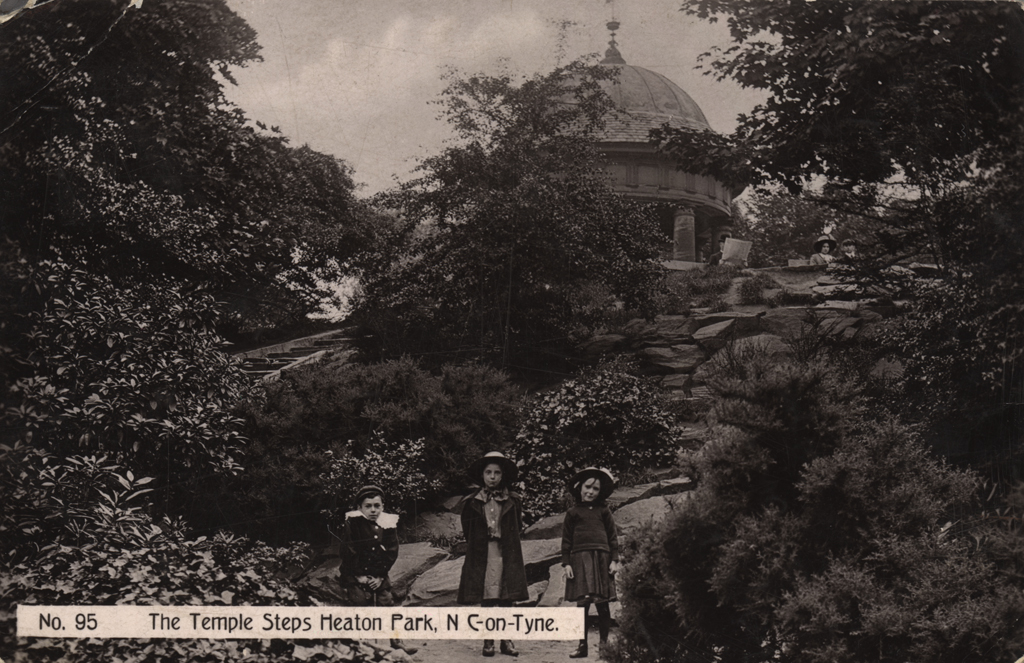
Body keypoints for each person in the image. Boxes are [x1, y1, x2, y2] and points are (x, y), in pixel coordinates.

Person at [458, 451, 528, 657]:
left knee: (506, 597)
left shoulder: (513, 500)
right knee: (488, 597)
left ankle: (506, 640)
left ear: (502, 475)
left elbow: (517, 525)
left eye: (497, 473)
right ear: (482, 475)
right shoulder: (472, 502)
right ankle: (488, 640)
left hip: (506, 552)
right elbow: (467, 529)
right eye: (488, 472)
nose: (492, 477)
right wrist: (479, 544)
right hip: (484, 553)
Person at [338, 485, 418, 655]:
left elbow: (391, 551)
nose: (373, 510)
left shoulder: (387, 524)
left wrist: (380, 576)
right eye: (368, 506)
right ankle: (360, 646)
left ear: (382, 507)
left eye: (377, 506)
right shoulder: (352, 523)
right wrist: (359, 575)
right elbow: (348, 550)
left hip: (378, 575)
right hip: (355, 574)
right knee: (359, 604)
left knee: (386, 602)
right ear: (359, 508)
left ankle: (396, 640)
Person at [561, 468, 621, 659]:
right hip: (580, 560)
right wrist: (566, 564)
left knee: (602, 604)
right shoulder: (572, 513)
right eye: (588, 487)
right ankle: (582, 646)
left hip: (601, 560)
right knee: (583, 605)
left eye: (595, 489)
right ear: (579, 488)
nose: (591, 492)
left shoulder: (604, 511)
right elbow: (566, 541)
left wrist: (614, 560)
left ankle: (604, 647)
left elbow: (612, 537)